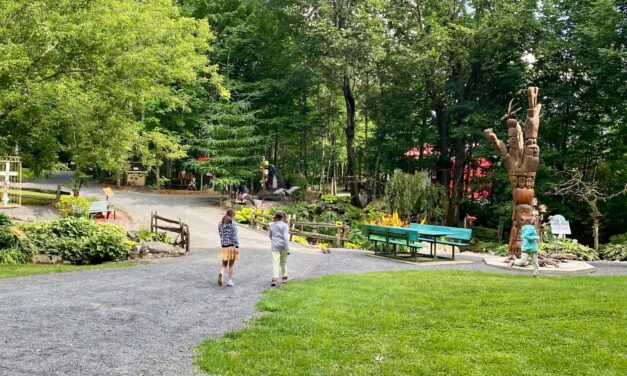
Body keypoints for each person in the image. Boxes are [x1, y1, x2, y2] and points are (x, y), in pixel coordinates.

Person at [217, 208, 239, 286]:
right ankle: (229, 281)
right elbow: (235, 237)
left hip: (224, 246)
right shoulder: (233, 224)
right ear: (232, 215)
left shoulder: (220, 224)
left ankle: (221, 274)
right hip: (232, 246)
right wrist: (237, 247)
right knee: (231, 265)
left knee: (224, 264)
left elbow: (221, 235)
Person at [268, 211, 290, 286]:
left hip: (275, 246)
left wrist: (274, 241)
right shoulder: (285, 226)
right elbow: (286, 238)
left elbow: (270, 236)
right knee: (283, 262)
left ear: (276, 217)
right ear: (283, 217)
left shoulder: (271, 225)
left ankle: (274, 279)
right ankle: (284, 277)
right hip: (283, 246)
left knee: (275, 262)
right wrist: (288, 249)